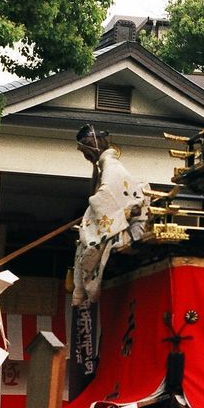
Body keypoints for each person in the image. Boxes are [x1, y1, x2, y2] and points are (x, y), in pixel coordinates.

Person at [72, 124, 149, 305]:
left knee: (87, 249)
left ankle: (83, 293)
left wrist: (89, 215)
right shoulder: (107, 166)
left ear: (93, 148)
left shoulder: (112, 167)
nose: (85, 156)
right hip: (120, 218)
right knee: (83, 248)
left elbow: (105, 196)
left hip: (128, 224)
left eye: (85, 151)